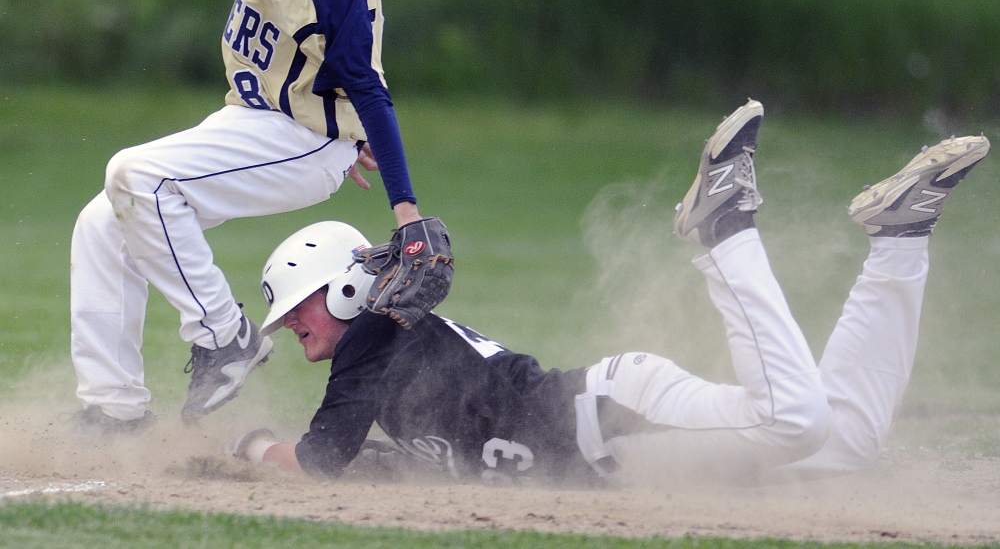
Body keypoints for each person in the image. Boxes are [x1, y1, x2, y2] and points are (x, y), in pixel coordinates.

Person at [223, 100, 989, 486]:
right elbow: (374, 459)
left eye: (299, 307)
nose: (293, 326)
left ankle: (723, 227)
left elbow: (317, 458)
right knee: (844, 441)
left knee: (794, 419)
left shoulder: (377, 335)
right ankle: (899, 241)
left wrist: (253, 446)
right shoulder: (382, 369)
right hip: (622, 441)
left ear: (349, 286)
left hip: (614, 422)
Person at [70, 0, 429, 433]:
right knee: (103, 220)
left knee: (134, 174)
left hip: (301, 140)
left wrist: (404, 206)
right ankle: (113, 409)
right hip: (256, 119)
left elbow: (367, 85)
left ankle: (225, 337)